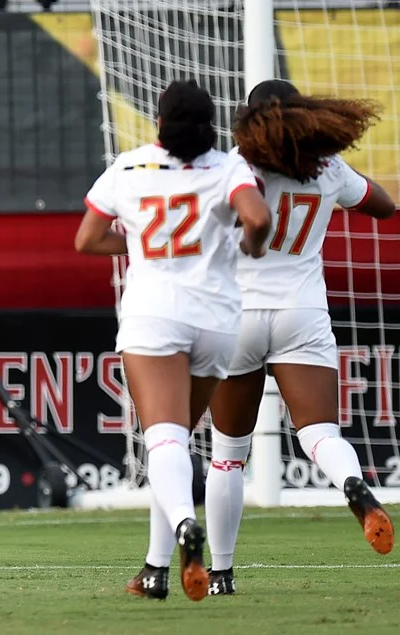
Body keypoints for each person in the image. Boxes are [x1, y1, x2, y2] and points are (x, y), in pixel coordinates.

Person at [74, 79, 272, 601]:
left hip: (155, 313)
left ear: (159, 122)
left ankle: (186, 523)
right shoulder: (228, 167)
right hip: (217, 319)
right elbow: (257, 217)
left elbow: (87, 238)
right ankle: (155, 570)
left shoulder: (129, 166)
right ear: (211, 125)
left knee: (162, 439)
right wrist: (251, 247)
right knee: (176, 439)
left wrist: (141, 242)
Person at [203, 80, 397, 595]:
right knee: (320, 434)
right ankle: (354, 487)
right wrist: (333, 174)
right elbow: (384, 207)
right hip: (303, 312)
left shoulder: (234, 168)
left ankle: (221, 574)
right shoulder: (327, 168)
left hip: (238, 312)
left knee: (228, 453)